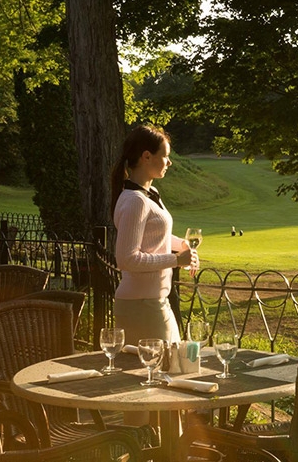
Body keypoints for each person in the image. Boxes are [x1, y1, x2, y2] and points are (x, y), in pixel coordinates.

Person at [111, 125, 197, 427]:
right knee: (155, 387)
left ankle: (160, 445)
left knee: (168, 380)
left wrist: (181, 245)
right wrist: (175, 260)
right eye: (165, 156)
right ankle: (145, 445)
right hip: (141, 306)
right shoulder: (135, 200)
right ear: (146, 157)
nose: (169, 162)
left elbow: (154, 235)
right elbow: (127, 258)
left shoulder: (149, 194)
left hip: (153, 302)